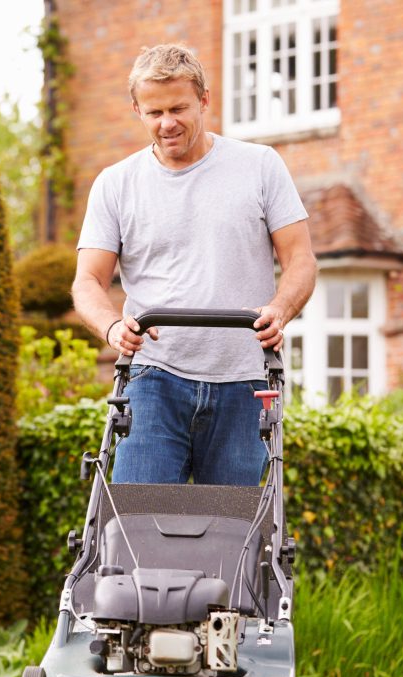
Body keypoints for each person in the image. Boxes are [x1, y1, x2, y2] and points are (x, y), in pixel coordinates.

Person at [72, 43, 317, 487]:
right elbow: (88, 280)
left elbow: (300, 259)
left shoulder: (260, 166)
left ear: (204, 100)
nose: (167, 123)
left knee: (232, 534)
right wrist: (112, 327)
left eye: (179, 108)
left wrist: (279, 309)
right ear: (137, 110)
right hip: (153, 379)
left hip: (245, 380)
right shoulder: (115, 184)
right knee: (138, 527)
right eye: (154, 112)